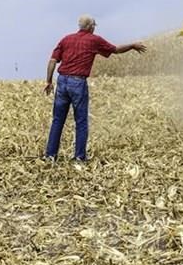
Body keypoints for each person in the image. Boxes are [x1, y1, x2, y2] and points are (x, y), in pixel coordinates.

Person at [43, 15, 146, 161]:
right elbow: (115, 50)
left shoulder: (66, 39)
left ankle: (50, 156)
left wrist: (48, 81)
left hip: (62, 81)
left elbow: (53, 60)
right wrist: (132, 46)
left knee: (57, 120)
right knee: (81, 121)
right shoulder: (94, 40)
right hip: (77, 83)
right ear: (91, 27)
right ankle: (79, 157)